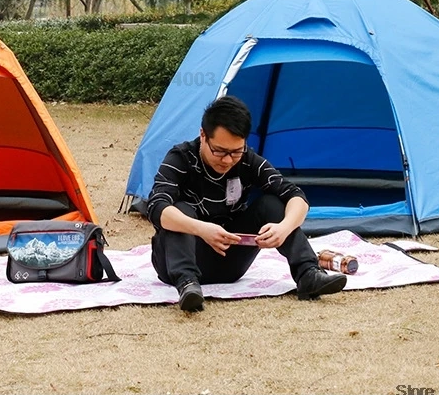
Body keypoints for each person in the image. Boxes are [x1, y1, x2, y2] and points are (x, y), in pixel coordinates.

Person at [147, 95, 347, 312]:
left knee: (271, 203)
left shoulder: (247, 160)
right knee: (179, 210)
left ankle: (308, 274)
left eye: (235, 152)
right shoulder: (181, 158)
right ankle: (187, 284)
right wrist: (201, 229)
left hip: (229, 260)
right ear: (203, 135)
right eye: (219, 151)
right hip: (175, 262)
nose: (227, 160)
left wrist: (284, 228)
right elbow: (156, 206)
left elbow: (295, 195)